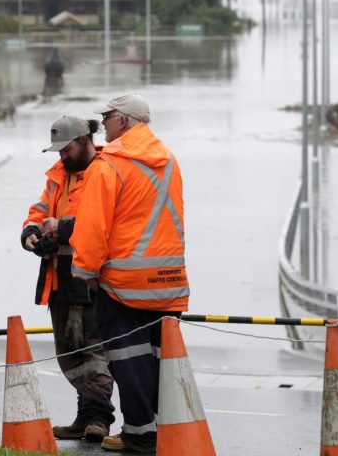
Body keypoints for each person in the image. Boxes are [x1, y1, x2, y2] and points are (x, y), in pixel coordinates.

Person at [70, 93, 189, 454]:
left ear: (123, 121)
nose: (103, 124)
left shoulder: (111, 165)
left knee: (128, 361)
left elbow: (92, 227)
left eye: (107, 117)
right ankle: (162, 429)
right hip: (169, 282)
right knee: (157, 361)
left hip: (124, 285)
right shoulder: (167, 160)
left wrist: (85, 271)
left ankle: (139, 434)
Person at [20, 115, 115, 442]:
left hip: (90, 279)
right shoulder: (58, 175)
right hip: (59, 278)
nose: (61, 156)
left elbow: (103, 222)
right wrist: (32, 232)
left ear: (85, 140)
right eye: (58, 150)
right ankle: (86, 415)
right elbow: (39, 209)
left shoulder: (105, 171)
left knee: (95, 351)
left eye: (66, 148)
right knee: (68, 352)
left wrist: (61, 227)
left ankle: (98, 419)